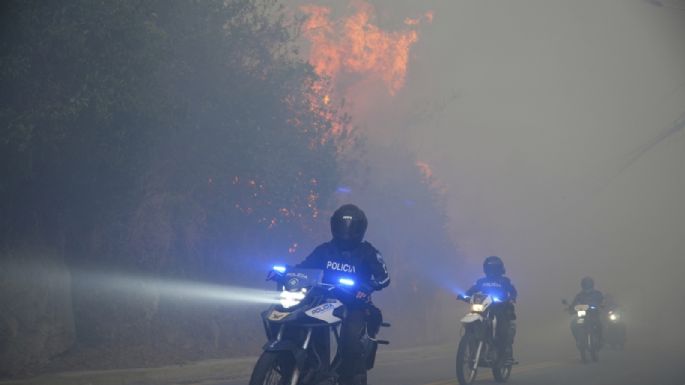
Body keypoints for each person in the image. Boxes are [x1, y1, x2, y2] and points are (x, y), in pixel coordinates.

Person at [296, 204, 390, 385]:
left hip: (354, 304)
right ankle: (310, 369)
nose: (346, 232)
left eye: (352, 228)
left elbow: (384, 278)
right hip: (320, 300)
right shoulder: (325, 250)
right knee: (296, 322)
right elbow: (304, 267)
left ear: (360, 229)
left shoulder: (368, 252)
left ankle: (349, 377)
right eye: (341, 226)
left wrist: (367, 287)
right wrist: (288, 273)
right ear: (334, 226)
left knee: (351, 346)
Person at [464, 256, 518, 363]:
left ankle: (502, 353)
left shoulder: (505, 281)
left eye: (494, 268)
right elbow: (471, 290)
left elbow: (513, 292)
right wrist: (464, 295)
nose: (492, 271)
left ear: (500, 269)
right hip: (484, 308)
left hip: (500, 309)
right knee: (472, 323)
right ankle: (475, 348)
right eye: (490, 269)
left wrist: (511, 298)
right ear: (485, 269)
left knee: (502, 329)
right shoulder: (480, 281)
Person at [569, 276, 604, 348]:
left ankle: (600, 340)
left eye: (588, 284)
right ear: (582, 285)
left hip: (594, 314)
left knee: (599, 325)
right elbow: (574, 303)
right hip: (582, 315)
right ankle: (578, 340)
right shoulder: (579, 295)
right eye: (585, 284)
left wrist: (601, 305)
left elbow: (602, 301)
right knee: (574, 324)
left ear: (592, 284)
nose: (587, 285)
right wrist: (571, 308)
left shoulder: (597, 293)